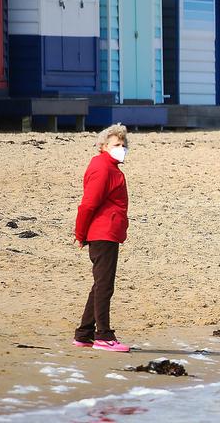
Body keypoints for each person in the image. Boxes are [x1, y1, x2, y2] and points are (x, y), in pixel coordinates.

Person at [73, 124, 130, 352]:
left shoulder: (111, 168)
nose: (122, 148)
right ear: (104, 146)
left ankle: (84, 334)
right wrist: (80, 233)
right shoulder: (103, 168)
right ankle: (103, 336)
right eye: (117, 145)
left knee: (99, 284)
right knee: (105, 285)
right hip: (102, 233)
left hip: (108, 231)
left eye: (123, 145)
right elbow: (88, 204)